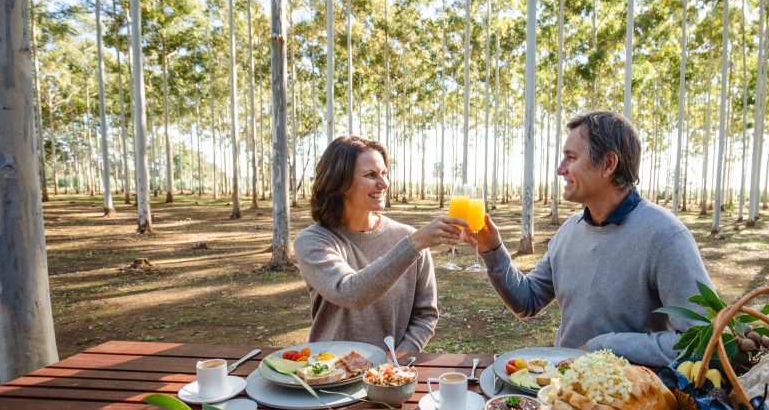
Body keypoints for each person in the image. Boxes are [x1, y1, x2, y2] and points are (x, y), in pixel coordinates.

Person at [466, 110, 713, 367]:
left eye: (571, 158)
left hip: (632, 398)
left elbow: (701, 341)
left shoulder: (667, 236)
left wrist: (605, 347)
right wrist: (492, 250)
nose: (560, 169)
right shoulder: (569, 231)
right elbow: (527, 302)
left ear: (608, 164)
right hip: (564, 391)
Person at [295, 136, 465, 355]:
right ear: (340, 183)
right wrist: (414, 244)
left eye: (384, 173)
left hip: (390, 376)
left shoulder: (407, 237)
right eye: (370, 175)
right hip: (328, 372)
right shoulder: (313, 241)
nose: (384, 184)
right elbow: (350, 293)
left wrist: (396, 360)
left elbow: (425, 315)